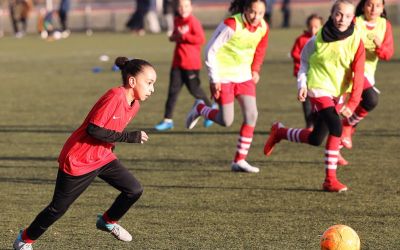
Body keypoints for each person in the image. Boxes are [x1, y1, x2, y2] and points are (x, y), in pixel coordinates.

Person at [13, 57, 157, 250]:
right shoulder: (115, 96)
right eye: (149, 83)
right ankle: (24, 240)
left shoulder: (135, 104)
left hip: (103, 157)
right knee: (57, 209)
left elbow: (107, 133)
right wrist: (130, 137)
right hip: (79, 159)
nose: (152, 89)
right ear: (132, 81)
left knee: (134, 190)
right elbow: (94, 130)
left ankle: (107, 221)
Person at [263, 0, 365, 192]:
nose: (342, 19)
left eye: (348, 16)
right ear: (332, 13)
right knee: (336, 127)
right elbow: (304, 62)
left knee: (316, 138)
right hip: (318, 88)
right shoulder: (317, 39)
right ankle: (330, 180)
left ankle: (280, 132)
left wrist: (352, 102)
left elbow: (359, 74)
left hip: (338, 92)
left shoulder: (356, 40)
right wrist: (302, 84)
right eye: (339, 14)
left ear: (353, 18)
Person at [185, 0, 269, 173]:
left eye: (260, 13)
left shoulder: (263, 27)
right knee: (226, 120)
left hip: (244, 77)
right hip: (223, 77)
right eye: (253, 12)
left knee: (252, 115)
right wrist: (214, 78)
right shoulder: (231, 24)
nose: (256, 17)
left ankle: (239, 160)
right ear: (245, 9)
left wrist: (255, 69)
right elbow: (210, 50)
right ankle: (200, 108)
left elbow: (260, 48)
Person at [340, 0, 394, 152]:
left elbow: (388, 54)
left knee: (360, 105)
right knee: (370, 99)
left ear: (383, 7)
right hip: (350, 69)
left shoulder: (385, 25)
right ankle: (346, 127)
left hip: (368, 72)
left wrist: (380, 46)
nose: (373, 9)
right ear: (363, 6)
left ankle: (344, 132)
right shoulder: (355, 21)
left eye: (378, 5)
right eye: (370, 4)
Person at [155, 0, 213, 131]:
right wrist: (173, 37)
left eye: (186, 6)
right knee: (172, 93)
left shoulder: (193, 22)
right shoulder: (177, 20)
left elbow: (201, 39)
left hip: (191, 64)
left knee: (195, 90)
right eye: (180, 6)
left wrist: (184, 35)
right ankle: (167, 120)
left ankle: (210, 112)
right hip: (177, 63)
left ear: (191, 7)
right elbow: (176, 37)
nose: (183, 8)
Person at [290, 14, 323, 130]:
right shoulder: (301, 39)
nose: (313, 29)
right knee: (306, 101)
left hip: (319, 77)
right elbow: (295, 54)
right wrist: (307, 60)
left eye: (316, 26)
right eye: (311, 26)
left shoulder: (324, 40)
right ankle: (309, 124)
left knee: (319, 99)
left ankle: (319, 124)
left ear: (321, 26)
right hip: (305, 76)